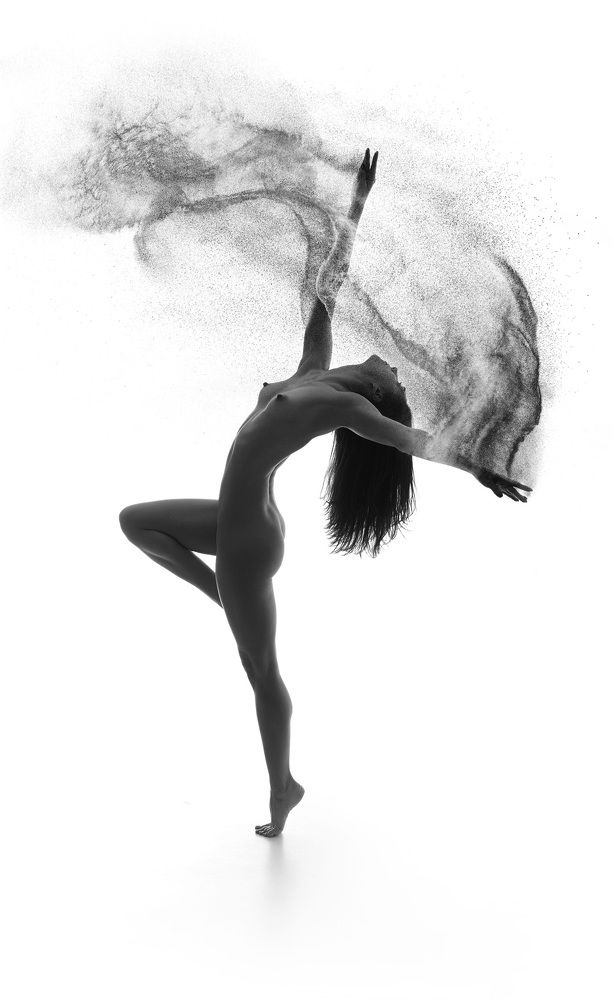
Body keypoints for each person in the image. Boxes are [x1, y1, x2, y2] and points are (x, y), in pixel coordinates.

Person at [119, 149, 531, 837]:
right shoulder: (313, 370)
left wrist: (479, 466)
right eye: (400, 378)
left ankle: (283, 789)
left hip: (249, 540)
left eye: (396, 383)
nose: (397, 370)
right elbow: (326, 288)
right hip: (241, 518)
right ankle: (220, 594)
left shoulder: (346, 408)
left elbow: (412, 441)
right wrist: (355, 206)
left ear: (377, 395)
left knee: (260, 670)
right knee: (135, 521)